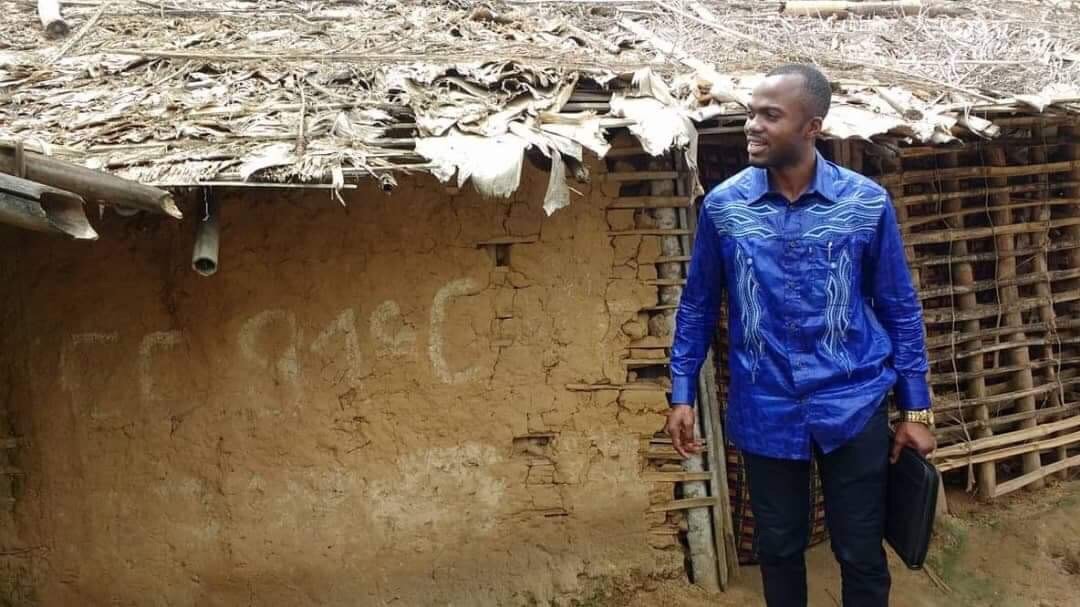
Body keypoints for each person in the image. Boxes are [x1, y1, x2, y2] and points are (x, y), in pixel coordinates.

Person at [665, 64, 936, 607]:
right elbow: (697, 306)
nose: (753, 126)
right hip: (765, 405)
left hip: (854, 402)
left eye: (770, 115)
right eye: (751, 113)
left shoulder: (865, 204)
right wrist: (682, 393)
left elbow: (899, 309)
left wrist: (916, 410)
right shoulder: (724, 208)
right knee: (779, 548)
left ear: (812, 127)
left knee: (861, 551)